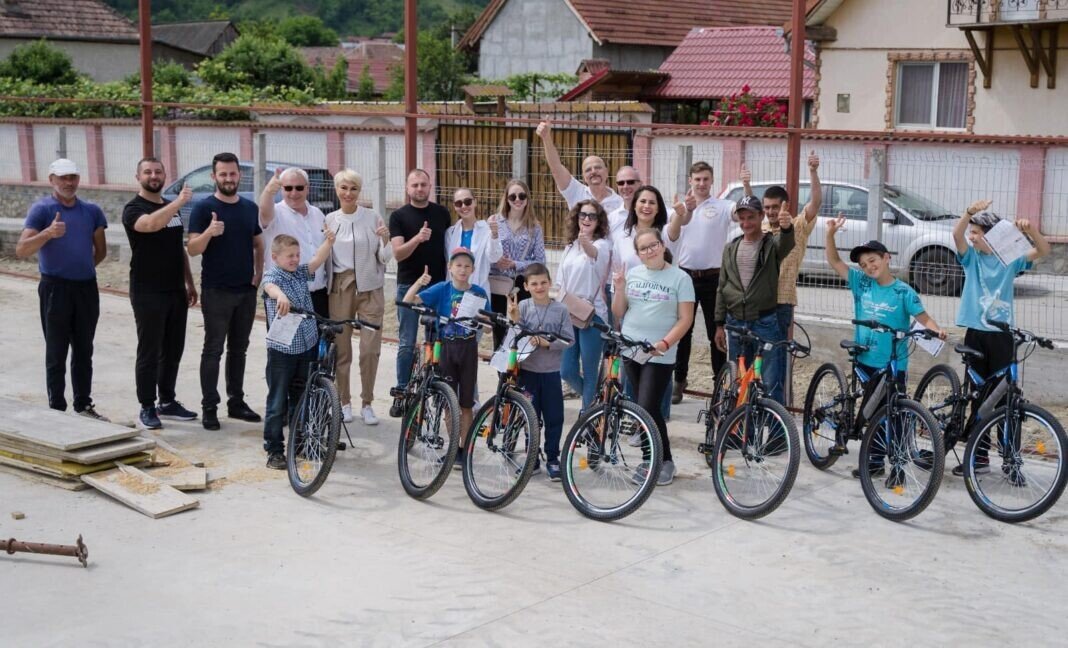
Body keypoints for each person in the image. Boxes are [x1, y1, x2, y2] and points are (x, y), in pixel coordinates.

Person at [824, 216, 947, 481]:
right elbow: (835, 261)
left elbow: (923, 317)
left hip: (894, 363)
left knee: (895, 413)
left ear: (887, 258)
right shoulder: (861, 283)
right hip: (865, 359)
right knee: (872, 411)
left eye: (873, 261)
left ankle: (898, 465)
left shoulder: (904, 292)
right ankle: (875, 462)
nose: (869, 267)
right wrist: (830, 235)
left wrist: (936, 330)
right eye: (864, 264)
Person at [950, 199, 1050, 476]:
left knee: (1006, 399)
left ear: (993, 236)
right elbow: (956, 236)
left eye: (976, 233)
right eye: (972, 232)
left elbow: (1043, 250)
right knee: (978, 396)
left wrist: (1031, 230)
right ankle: (979, 457)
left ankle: (1011, 459)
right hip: (975, 334)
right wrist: (968, 213)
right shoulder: (971, 258)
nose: (971, 237)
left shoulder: (1010, 260)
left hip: (1002, 336)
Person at [15, 158, 108, 419]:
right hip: (55, 289)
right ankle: (56, 409)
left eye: (73, 177)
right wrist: (47, 233)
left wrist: (81, 269)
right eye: (63, 178)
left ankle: (83, 404)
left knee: (84, 349)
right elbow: (21, 250)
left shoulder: (92, 211)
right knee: (56, 351)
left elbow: (100, 251)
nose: (69, 183)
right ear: (52, 180)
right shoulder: (42, 210)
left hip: (86, 289)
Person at [611, 228, 695, 486]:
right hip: (631, 348)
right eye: (643, 248)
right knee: (643, 408)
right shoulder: (634, 274)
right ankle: (657, 460)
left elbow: (686, 319)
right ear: (638, 253)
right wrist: (619, 288)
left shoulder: (680, 278)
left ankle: (658, 461)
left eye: (653, 245)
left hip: (659, 353)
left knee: (647, 406)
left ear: (662, 245)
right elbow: (619, 312)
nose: (649, 251)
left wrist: (665, 343)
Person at [187, 152, 264, 430]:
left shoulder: (249, 207)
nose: (228, 178)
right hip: (216, 290)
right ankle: (209, 407)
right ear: (214, 177)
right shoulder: (203, 208)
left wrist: (258, 273)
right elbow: (192, 249)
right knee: (213, 349)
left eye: (232, 173)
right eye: (223, 174)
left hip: (245, 290)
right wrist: (209, 232)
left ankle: (236, 402)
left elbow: (259, 242)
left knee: (239, 349)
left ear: (239, 175)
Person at [121, 157, 199, 429]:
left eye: (158, 171)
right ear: (138, 177)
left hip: (175, 290)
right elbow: (150, 225)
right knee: (150, 351)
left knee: (173, 349)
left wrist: (189, 282)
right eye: (148, 172)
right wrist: (178, 202)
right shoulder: (133, 208)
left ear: (165, 175)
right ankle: (147, 405)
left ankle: (167, 401)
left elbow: (178, 248)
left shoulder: (169, 207)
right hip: (147, 291)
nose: (153, 176)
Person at [740, 152, 823, 406]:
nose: (770, 212)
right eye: (767, 208)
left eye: (775, 207)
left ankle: (777, 418)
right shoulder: (760, 229)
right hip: (754, 305)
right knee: (751, 364)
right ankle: (752, 413)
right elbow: (751, 209)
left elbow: (815, 203)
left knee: (775, 366)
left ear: (786, 205)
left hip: (780, 304)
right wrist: (746, 185)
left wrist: (813, 172)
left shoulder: (797, 226)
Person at [403, 249, 489, 461]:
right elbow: (408, 300)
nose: (462, 270)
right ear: (450, 267)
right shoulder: (442, 289)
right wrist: (419, 282)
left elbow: (487, 328)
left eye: (467, 266)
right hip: (446, 348)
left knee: (466, 404)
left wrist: (481, 320)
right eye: (458, 265)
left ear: (473, 269)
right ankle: (453, 449)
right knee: (449, 402)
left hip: (468, 348)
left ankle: (465, 450)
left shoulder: (479, 293)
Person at [261, 232, 336, 469]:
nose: (295, 259)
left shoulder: (300, 273)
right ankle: (274, 450)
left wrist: (329, 242)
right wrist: (281, 296)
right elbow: (270, 287)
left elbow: (316, 261)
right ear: (275, 257)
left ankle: (300, 443)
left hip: (306, 345)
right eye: (289, 256)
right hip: (282, 350)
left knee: (302, 398)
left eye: (296, 255)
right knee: (277, 402)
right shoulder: (273, 276)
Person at [325, 168, 391, 426]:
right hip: (340, 287)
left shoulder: (373, 217)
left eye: (353, 188)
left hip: (370, 287)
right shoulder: (330, 219)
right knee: (342, 349)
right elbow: (325, 255)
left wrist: (386, 241)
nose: (348, 193)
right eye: (344, 188)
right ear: (336, 190)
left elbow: (384, 258)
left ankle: (367, 403)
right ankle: (344, 401)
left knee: (369, 350)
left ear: (359, 191)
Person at [714, 195, 794, 405]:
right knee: (739, 380)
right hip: (735, 323)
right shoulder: (731, 247)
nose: (746, 223)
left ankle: (774, 425)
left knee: (770, 379)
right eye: (742, 218)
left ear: (761, 216)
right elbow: (722, 287)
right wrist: (719, 324)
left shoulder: (771, 244)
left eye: (751, 217)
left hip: (764, 322)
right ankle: (740, 423)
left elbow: (786, 244)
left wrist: (787, 228)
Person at [665, 161, 734, 404]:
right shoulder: (680, 209)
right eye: (697, 179)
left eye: (705, 179)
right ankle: (679, 380)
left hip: (715, 278)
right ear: (690, 181)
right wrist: (684, 210)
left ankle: (720, 384)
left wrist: (746, 187)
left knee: (717, 333)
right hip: (686, 277)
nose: (702, 183)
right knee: (683, 332)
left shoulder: (723, 206)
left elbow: (741, 212)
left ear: (712, 180)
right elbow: (674, 231)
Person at [389, 169, 450, 417]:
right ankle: (402, 392)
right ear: (407, 188)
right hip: (409, 286)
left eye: (423, 184)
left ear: (430, 186)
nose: (419, 189)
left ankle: (433, 390)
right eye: (414, 185)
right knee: (407, 342)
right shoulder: (398, 216)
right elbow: (397, 254)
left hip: (437, 288)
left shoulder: (442, 213)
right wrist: (417, 239)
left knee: (436, 341)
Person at [613, 185, 674, 419]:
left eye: (652, 202)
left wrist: (683, 212)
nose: (646, 206)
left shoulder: (665, 233)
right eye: (642, 201)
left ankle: (659, 421)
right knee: (632, 368)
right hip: (632, 310)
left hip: (660, 310)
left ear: (658, 208)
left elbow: (677, 228)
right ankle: (635, 419)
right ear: (634, 205)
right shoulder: (623, 237)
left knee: (658, 367)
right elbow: (618, 271)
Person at [509, 263, 573, 481]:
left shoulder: (561, 309)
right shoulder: (523, 306)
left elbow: (569, 340)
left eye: (543, 282)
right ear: (526, 286)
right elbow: (515, 336)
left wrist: (548, 343)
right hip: (528, 372)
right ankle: (532, 459)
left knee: (555, 417)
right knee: (530, 417)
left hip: (552, 372)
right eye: (534, 284)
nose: (539, 287)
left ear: (550, 283)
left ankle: (553, 458)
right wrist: (514, 319)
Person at [555, 200, 611, 409]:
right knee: (566, 371)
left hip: (592, 314)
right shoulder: (570, 247)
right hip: (569, 312)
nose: (586, 219)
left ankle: (587, 416)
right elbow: (560, 282)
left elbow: (594, 254)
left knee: (589, 371)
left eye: (592, 216)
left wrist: (585, 241)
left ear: (599, 221)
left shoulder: (602, 245)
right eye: (583, 215)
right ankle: (596, 400)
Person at [257, 166, 328, 316]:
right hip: (286, 298)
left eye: (299, 188)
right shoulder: (275, 213)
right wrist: (268, 191)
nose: (294, 193)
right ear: (281, 189)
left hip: (318, 295)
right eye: (288, 188)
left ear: (307, 188)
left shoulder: (318, 214)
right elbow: (264, 211)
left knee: (321, 333)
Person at [488, 179, 546, 349]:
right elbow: (486, 253)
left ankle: (519, 365)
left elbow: (540, 261)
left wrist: (516, 264)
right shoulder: (494, 222)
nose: (517, 200)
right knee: (499, 332)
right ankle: (500, 366)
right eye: (513, 196)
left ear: (527, 199)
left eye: (522, 196)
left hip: (521, 285)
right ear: (506, 199)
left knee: (520, 331)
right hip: (498, 283)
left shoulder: (534, 227)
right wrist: (496, 261)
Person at [536, 120, 623, 213]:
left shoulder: (620, 203)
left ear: (606, 172)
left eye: (598, 167)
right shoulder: (576, 192)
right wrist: (546, 138)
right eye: (588, 170)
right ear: (584, 177)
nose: (593, 171)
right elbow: (556, 168)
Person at [444, 187, 503, 296]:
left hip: (477, 292)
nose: (464, 206)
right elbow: (449, 265)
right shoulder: (450, 233)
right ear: (454, 207)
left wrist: (494, 235)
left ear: (475, 202)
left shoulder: (487, 230)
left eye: (467, 202)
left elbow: (494, 257)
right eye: (459, 203)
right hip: (454, 293)